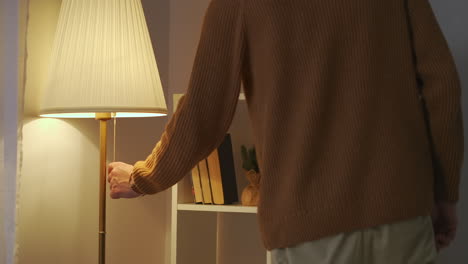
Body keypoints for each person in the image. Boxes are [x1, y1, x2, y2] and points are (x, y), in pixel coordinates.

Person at [108, 0, 464, 263]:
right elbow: (442, 85)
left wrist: (145, 177)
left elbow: (204, 109)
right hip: (403, 211)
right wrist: (445, 194)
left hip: (308, 229)